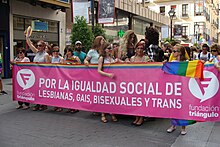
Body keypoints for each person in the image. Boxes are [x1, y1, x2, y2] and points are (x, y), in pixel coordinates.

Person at [166, 44, 193, 135]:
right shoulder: (172, 62)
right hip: (173, 87)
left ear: (180, 53)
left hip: (183, 88)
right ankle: (173, 125)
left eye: (174, 51)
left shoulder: (186, 63)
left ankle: (183, 127)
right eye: (172, 51)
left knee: (182, 107)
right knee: (173, 106)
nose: (172, 53)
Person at [25, 28, 51, 111]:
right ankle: (37, 103)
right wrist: (27, 37)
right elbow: (30, 45)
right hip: (35, 74)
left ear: (43, 46)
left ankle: (43, 104)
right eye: (38, 45)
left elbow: (49, 67)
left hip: (43, 75)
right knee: (36, 90)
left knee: (43, 90)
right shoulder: (36, 52)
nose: (38, 47)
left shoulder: (46, 55)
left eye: (40, 45)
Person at [97, 42, 117, 123]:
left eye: (111, 48)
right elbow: (98, 70)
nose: (110, 50)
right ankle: (103, 114)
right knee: (104, 98)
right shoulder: (102, 58)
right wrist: (108, 74)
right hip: (105, 80)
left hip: (112, 81)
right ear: (104, 49)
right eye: (108, 48)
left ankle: (112, 112)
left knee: (111, 98)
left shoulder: (112, 58)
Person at [130, 41, 149, 126]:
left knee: (141, 100)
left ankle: (141, 117)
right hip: (134, 82)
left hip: (143, 82)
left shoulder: (146, 58)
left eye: (141, 48)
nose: (140, 50)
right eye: (138, 48)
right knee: (135, 100)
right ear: (135, 49)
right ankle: (136, 116)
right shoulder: (132, 59)